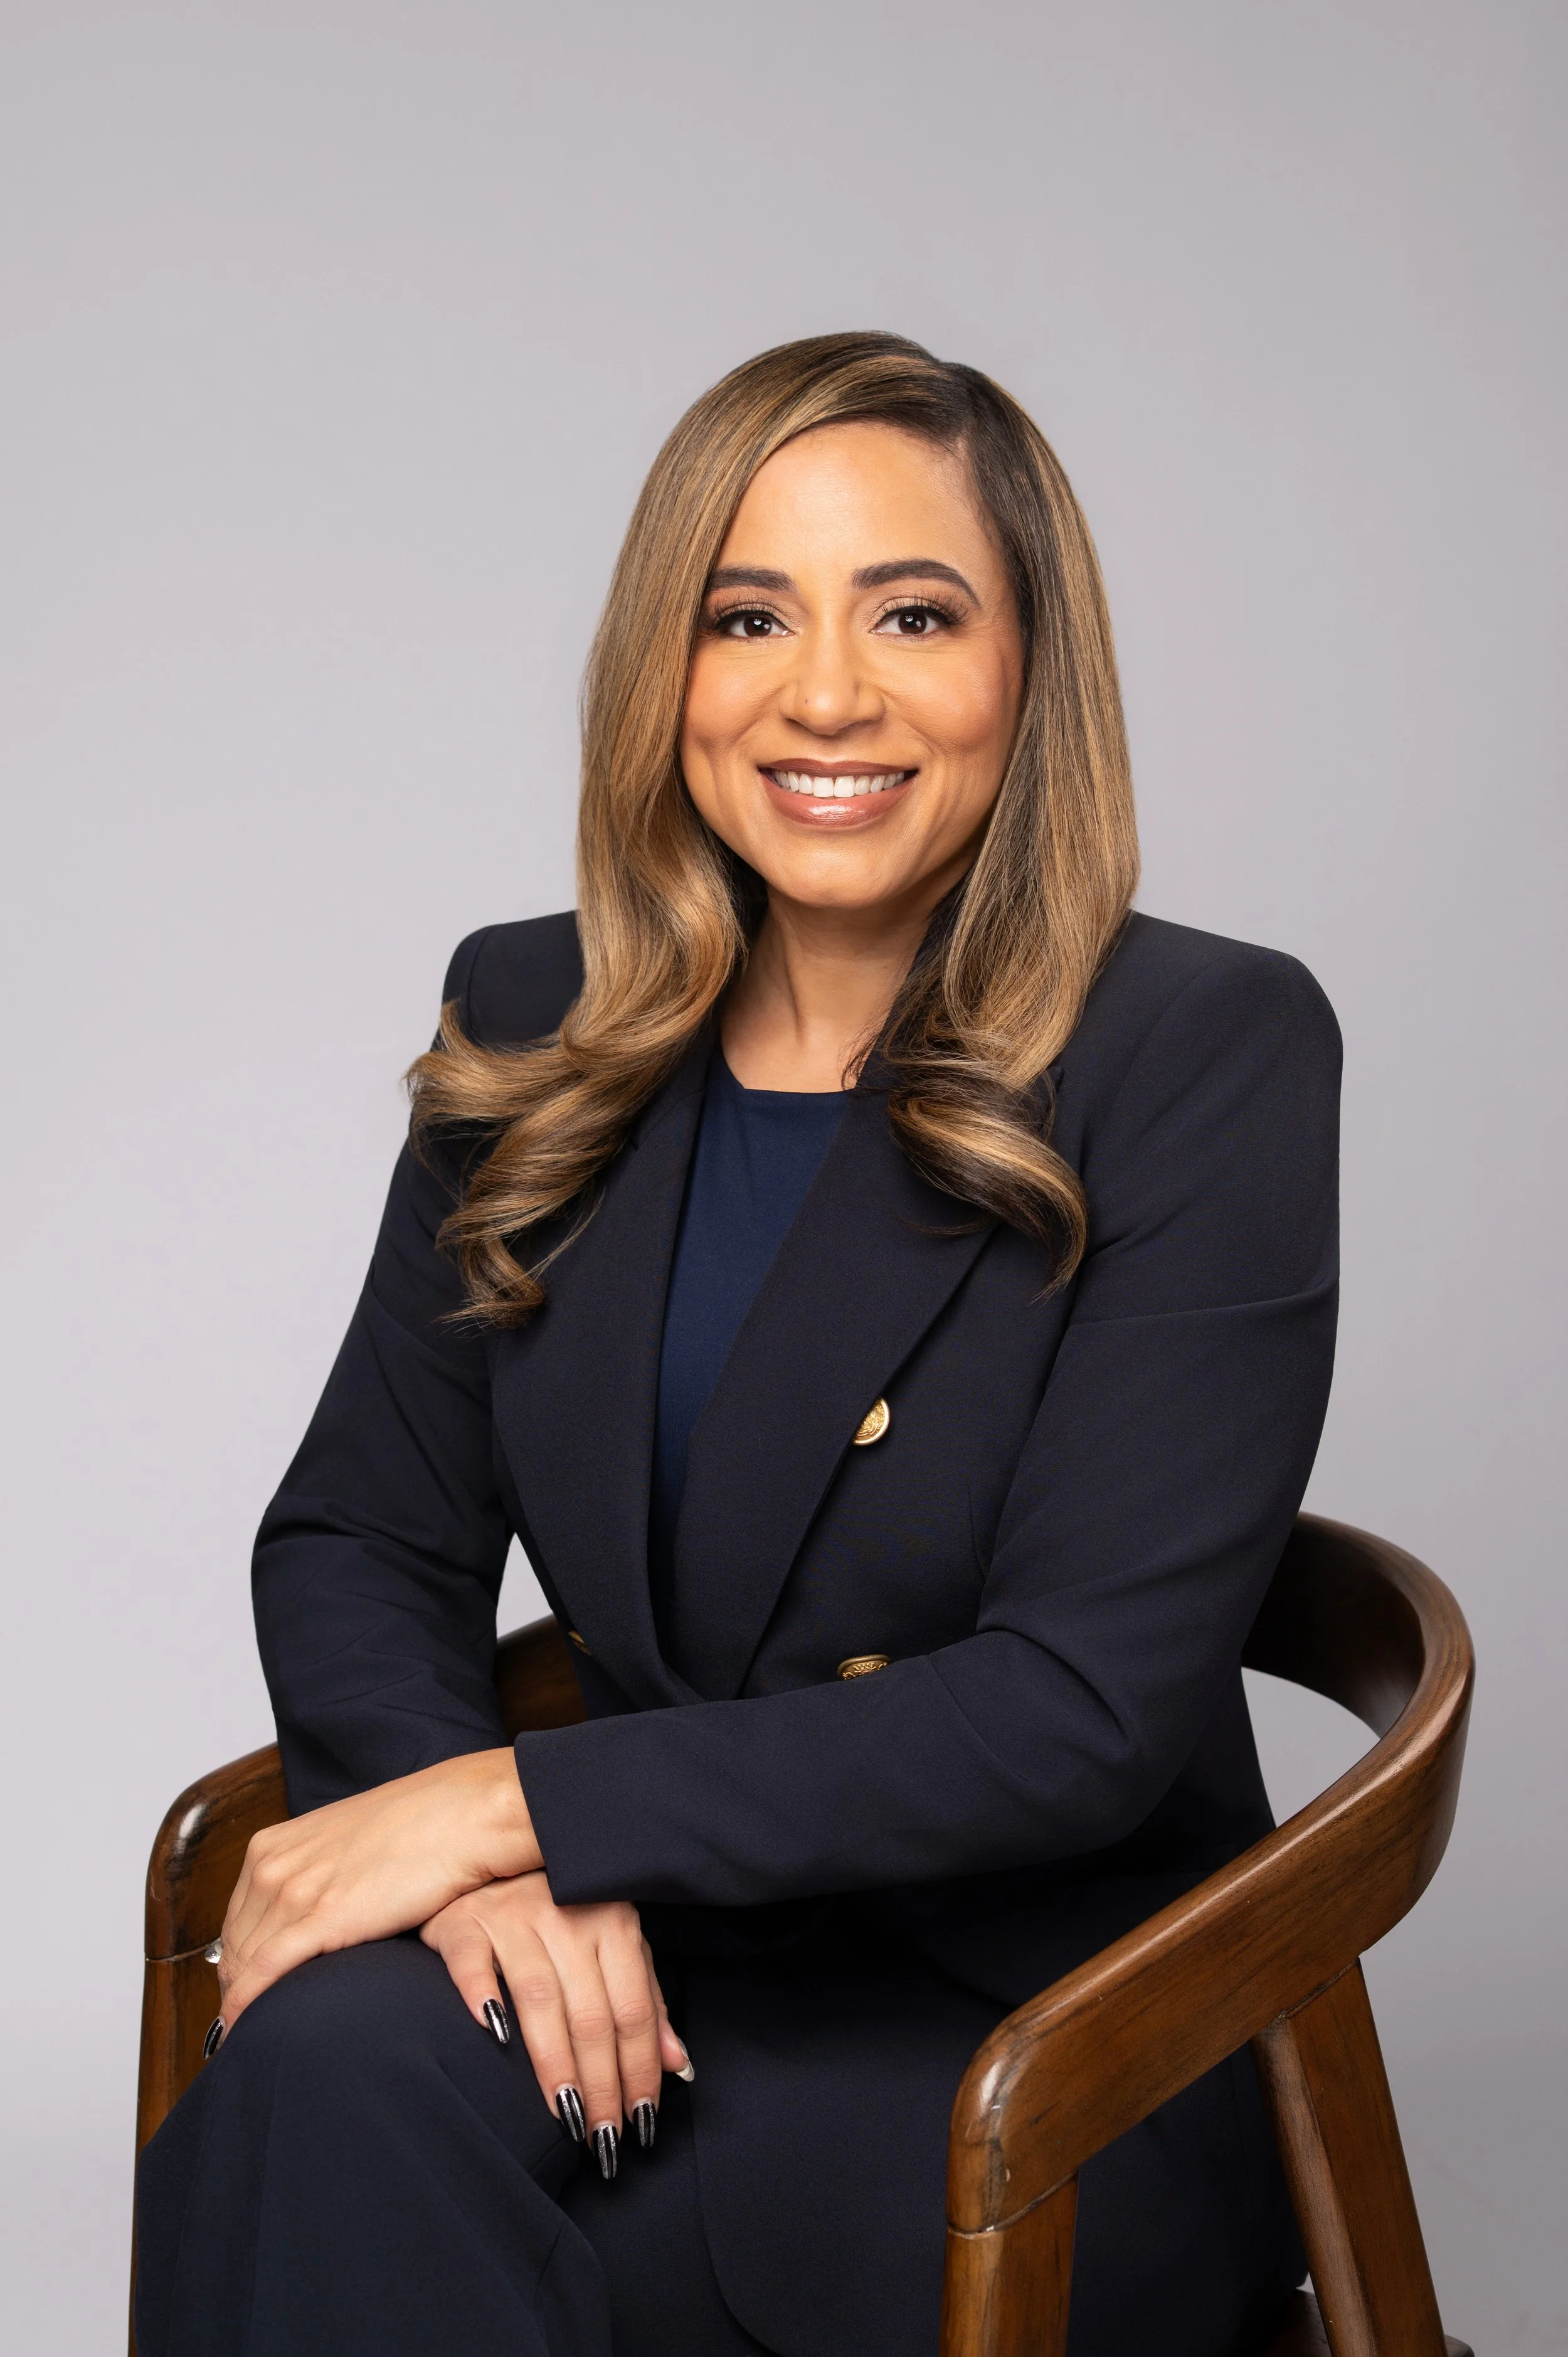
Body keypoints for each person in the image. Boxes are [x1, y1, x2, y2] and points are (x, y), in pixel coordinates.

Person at [134, 331, 1338, 2357]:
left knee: (358, 2199)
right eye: (745, 615)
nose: (826, 694)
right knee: (320, 2083)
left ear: (1031, 668)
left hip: (1030, 2047)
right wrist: (475, 1860)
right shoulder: (537, 1014)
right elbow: (357, 1531)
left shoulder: (1195, 1052)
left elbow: (1072, 1711)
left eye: (915, 613)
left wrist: (521, 1810)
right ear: (660, 674)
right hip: (642, 1956)